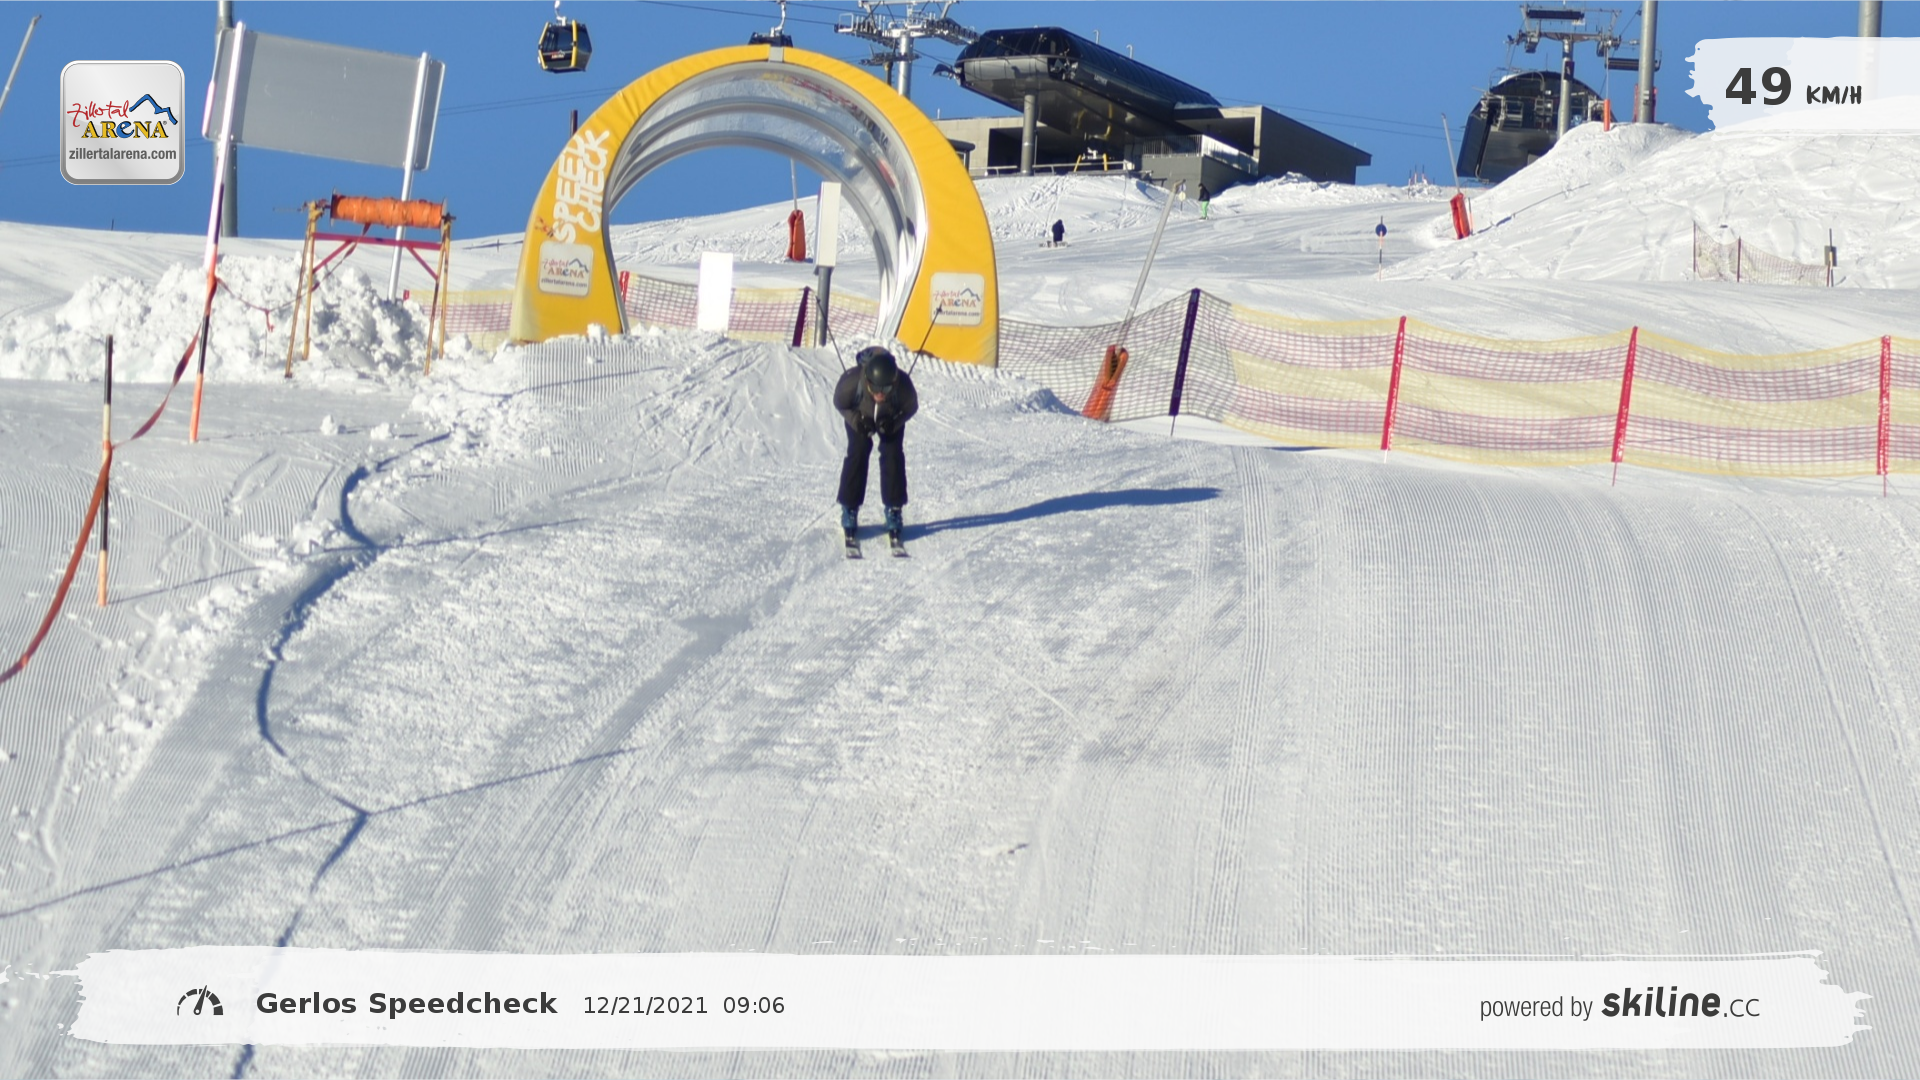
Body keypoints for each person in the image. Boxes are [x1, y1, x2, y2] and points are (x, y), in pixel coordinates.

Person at [834, 345, 918, 542]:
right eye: (876, 389)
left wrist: (894, 423)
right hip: (861, 415)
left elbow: (911, 408)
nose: (881, 394)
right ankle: (849, 508)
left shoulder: (903, 385)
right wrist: (856, 421)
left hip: (890, 417)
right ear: (867, 381)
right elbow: (840, 403)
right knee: (858, 450)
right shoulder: (851, 382)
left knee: (892, 453)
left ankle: (894, 509)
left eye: (886, 388)